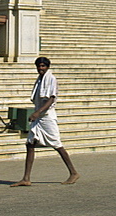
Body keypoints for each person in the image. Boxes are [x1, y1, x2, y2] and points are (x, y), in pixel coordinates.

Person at [11, 56, 79, 186]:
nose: (40, 68)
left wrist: (37, 113)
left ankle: (73, 172)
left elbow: (51, 98)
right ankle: (26, 178)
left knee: (57, 144)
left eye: (43, 66)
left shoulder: (51, 79)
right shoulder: (40, 80)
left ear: (47, 67)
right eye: (39, 66)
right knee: (30, 144)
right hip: (39, 117)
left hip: (47, 117)